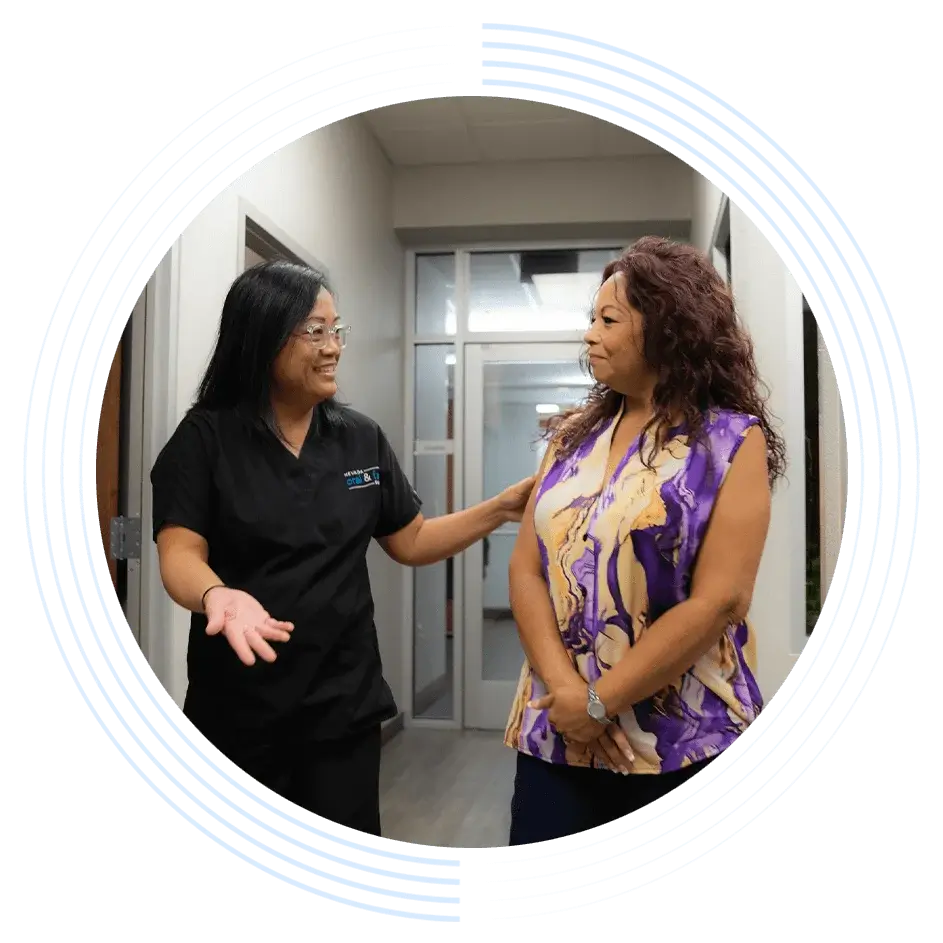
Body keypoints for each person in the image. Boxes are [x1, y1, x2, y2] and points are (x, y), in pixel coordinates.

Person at [150, 259, 534, 838]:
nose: (334, 347)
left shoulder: (358, 438)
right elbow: (179, 551)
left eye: (337, 330)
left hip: (342, 704)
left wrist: (499, 509)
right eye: (315, 331)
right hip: (241, 709)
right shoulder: (205, 439)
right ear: (263, 337)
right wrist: (217, 595)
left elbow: (412, 540)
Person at [503, 236, 786, 847]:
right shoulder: (572, 436)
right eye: (591, 320)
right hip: (557, 730)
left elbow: (721, 601)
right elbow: (527, 568)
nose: (589, 335)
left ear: (667, 330)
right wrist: (571, 696)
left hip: (680, 737)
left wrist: (603, 702)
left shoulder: (732, 441)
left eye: (609, 321)